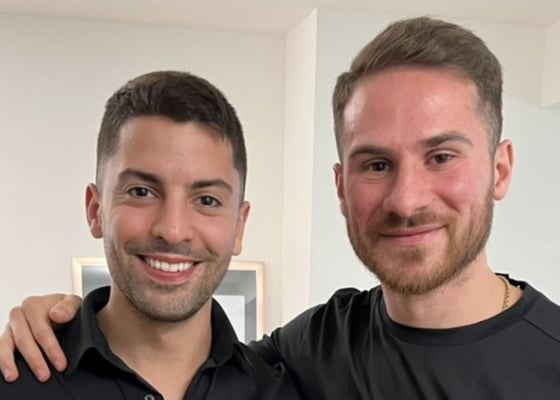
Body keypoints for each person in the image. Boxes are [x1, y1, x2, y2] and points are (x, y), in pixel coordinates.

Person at [3, 16, 560, 399]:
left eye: (441, 156)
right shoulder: (310, 352)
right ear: (341, 187)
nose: (406, 199)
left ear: (500, 169)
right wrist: (57, 320)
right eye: (375, 164)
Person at [0, 70, 300, 399]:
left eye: (207, 200)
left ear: (239, 226)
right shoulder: (14, 383)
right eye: (141, 192)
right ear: (95, 210)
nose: (172, 231)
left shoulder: (278, 392)